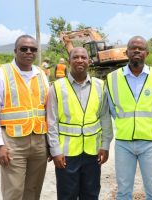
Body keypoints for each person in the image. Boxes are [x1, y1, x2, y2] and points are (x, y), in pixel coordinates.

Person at [0, 35, 49, 200]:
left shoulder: (41, 75)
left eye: (33, 49)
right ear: (15, 51)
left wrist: (49, 143)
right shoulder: (1, 74)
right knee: (14, 191)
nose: (29, 52)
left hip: (39, 142)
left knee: (33, 190)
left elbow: (48, 110)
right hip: (13, 142)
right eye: (24, 49)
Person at [106, 36, 152, 199]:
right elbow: (112, 109)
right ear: (126, 52)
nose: (136, 51)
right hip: (123, 143)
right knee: (123, 192)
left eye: (140, 48)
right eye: (133, 48)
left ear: (146, 53)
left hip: (150, 142)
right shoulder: (112, 78)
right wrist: (124, 125)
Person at [46, 47, 113, 199]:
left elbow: (105, 117)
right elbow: (51, 121)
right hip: (67, 154)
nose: (80, 60)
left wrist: (105, 145)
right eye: (75, 57)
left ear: (89, 61)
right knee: (67, 195)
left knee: (91, 194)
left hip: (93, 151)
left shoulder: (100, 86)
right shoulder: (57, 88)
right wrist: (55, 150)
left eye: (83, 57)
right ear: (69, 61)